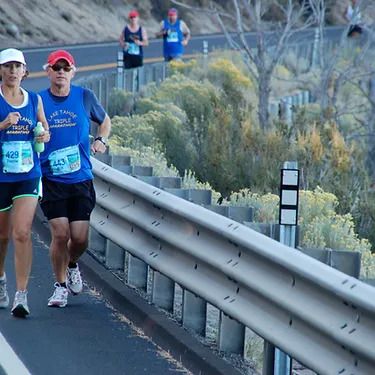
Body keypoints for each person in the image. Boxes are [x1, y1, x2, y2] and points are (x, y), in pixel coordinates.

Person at [39, 50, 111, 308]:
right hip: (51, 179)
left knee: (79, 239)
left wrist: (101, 139)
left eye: (65, 68)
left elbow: (105, 122)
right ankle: (59, 287)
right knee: (60, 234)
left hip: (80, 178)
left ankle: (71, 264)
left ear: (73, 72)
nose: (60, 72)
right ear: (48, 71)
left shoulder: (84, 97)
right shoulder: (38, 100)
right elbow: (28, 130)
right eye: (56, 67)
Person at [0, 48, 50, 318]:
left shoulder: (34, 100)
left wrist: (43, 136)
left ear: (25, 71)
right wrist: (3, 124)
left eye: (17, 66)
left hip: (28, 174)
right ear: (0, 71)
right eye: (7, 66)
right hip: (0, 176)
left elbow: (44, 129)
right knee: (3, 236)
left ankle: (21, 295)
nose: (12, 71)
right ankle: (0, 281)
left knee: (22, 232)